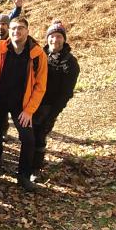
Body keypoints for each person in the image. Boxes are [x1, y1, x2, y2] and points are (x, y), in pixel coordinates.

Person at [0, 16, 48, 192]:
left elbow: (40, 86)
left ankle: (23, 175)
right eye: (13, 28)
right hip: (0, 98)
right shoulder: (1, 49)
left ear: (27, 30)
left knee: (28, 138)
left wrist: (29, 111)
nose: (16, 32)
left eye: (20, 28)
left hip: (22, 104)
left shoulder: (37, 54)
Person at [34, 20, 80, 174]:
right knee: (29, 135)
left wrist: (53, 113)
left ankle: (36, 168)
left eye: (59, 36)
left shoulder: (70, 62)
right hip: (32, 102)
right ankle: (25, 164)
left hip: (50, 106)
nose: (55, 40)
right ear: (47, 38)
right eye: (52, 36)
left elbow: (66, 93)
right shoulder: (39, 55)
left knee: (40, 135)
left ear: (64, 39)